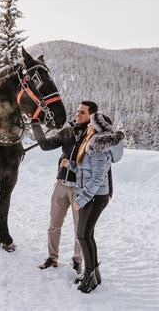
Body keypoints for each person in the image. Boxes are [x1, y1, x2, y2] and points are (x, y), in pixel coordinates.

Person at [61, 112, 124, 293]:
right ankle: (94, 274)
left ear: (97, 126)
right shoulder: (92, 144)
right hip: (94, 196)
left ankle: (89, 278)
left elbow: (96, 179)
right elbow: (85, 170)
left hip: (94, 197)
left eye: (91, 123)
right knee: (87, 235)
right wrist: (70, 165)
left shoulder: (98, 146)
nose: (88, 124)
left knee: (82, 236)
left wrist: (80, 200)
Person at [33, 101, 99, 273]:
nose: (78, 114)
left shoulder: (94, 134)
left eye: (82, 112)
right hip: (61, 185)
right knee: (54, 225)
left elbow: (101, 164)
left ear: (91, 115)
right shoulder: (68, 130)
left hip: (80, 189)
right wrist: (35, 124)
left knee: (80, 229)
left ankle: (78, 260)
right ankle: (52, 258)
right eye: (78, 111)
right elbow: (45, 145)